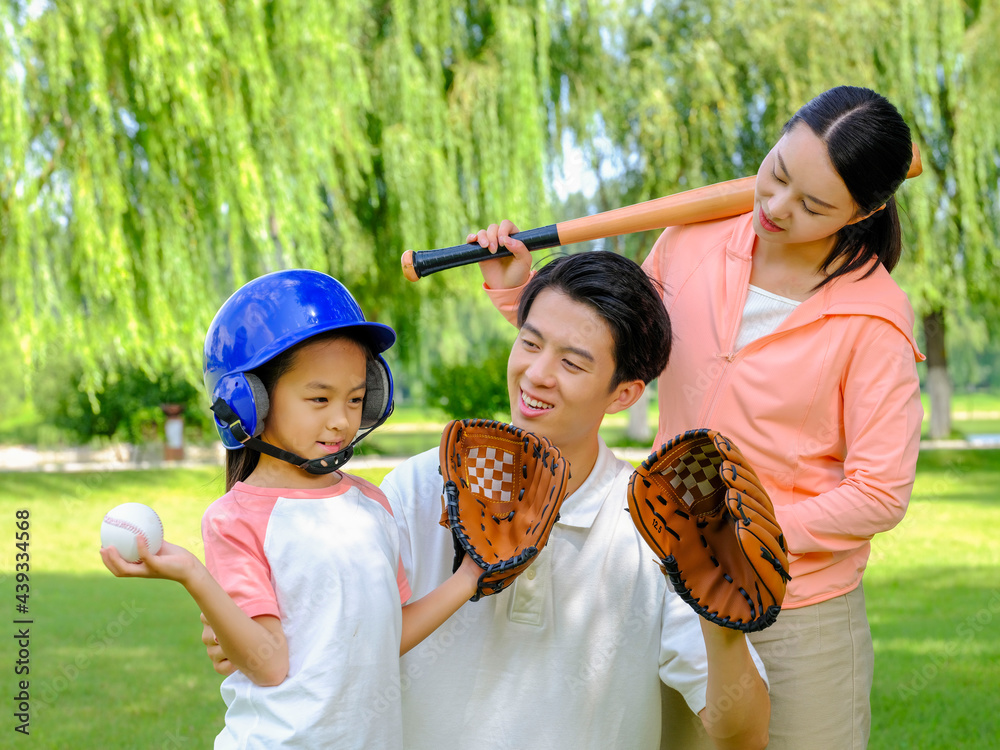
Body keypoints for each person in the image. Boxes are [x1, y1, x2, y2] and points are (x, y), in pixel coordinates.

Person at [471, 85, 924, 749]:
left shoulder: (874, 319)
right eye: (776, 174)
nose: (774, 207)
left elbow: (879, 494)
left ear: (864, 211)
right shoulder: (692, 241)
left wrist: (739, 538)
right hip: (671, 589)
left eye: (812, 205)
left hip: (797, 610)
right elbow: (618, 353)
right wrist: (517, 294)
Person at [204, 253, 772, 750]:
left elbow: (743, 736)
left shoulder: (656, 525)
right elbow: (313, 625)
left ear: (623, 394)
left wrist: (721, 630)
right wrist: (239, 626)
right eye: (529, 343)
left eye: (573, 363)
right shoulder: (420, 487)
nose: (537, 374)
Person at [102, 269, 481, 749]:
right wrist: (194, 575)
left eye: (356, 399)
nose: (341, 419)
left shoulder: (372, 504)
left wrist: (468, 577)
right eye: (318, 398)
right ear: (249, 402)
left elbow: (389, 634)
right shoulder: (235, 519)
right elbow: (268, 663)